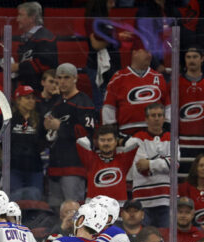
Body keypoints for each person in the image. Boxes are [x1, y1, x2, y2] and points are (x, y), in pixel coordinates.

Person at [43, 63, 95, 210]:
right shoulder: (56, 104)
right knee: (54, 211)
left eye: (67, 77)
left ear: (75, 79)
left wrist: (60, 127)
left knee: (73, 210)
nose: (62, 81)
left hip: (74, 166)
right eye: (59, 77)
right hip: (54, 166)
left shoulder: (84, 102)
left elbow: (87, 134)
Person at [102, 37, 170, 137]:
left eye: (151, 52)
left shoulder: (159, 77)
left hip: (155, 134)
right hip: (126, 135)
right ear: (135, 52)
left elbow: (168, 106)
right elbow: (109, 108)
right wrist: (112, 134)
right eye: (146, 51)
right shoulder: (118, 78)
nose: (150, 55)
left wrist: (167, 127)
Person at [128, 103, 174, 228]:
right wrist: (163, 161)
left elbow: (174, 165)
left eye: (159, 115)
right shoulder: (136, 139)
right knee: (143, 240)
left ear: (164, 118)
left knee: (165, 240)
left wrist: (149, 163)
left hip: (165, 199)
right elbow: (140, 167)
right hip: (142, 201)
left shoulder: (172, 138)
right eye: (153, 115)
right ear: (146, 119)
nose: (157, 118)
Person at [76, 124, 137, 204]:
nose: (106, 143)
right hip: (94, 207)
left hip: (119, 205)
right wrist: (93, 136)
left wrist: (119, 134)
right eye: (102, 140)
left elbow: (135, 142)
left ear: (116, 142)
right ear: (97, 142)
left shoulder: (123, 160)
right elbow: (81, 141)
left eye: (109, 140)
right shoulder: (91, 160)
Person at [178, 46, 204, 159]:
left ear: (202, 59)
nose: (191, 60)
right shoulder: (175, 83)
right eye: (188, 57)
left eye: (195, 57)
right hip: (181, 141)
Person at [84, 0, 124, 110]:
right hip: (98, 67)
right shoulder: (93, 20)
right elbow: (96, 44)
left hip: (112, 67)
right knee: (101, 103)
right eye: (111, 1)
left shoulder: (105, 20)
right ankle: (102, 126)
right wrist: (114, 38)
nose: (114, 4)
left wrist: (115, 37)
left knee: (111, 101)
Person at [10, 85, 44, 201]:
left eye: (33, 98)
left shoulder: (40, 119)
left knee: (35, 200)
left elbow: (44, 141)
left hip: (34, 167)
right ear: (18, 100)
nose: (31, 101)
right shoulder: (9, 119)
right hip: (14, 167)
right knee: (15, 201)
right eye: (27, 98)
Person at [13, 1, 57, 91]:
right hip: (29, 88)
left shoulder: (44, 38)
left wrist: (18, 67)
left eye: (21, 15)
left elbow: (44, 65)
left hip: (40, 91)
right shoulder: (28, 37)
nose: (17, 19)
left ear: (32, 18)